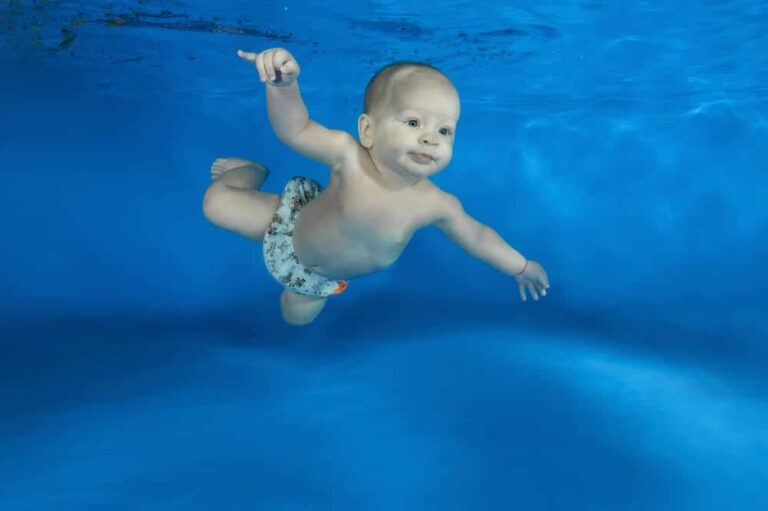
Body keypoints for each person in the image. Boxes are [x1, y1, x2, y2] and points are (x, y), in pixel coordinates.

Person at [203, 47, 550, 326]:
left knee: (295, 318)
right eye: (414, 122)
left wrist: (520, 266)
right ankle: (249, 171)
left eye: (445, 130)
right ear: (368, 131)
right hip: (288, 225)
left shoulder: (436, 203)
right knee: (215, 204)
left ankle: (298, 296)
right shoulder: (348, 156)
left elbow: (478, 237)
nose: (430, 138)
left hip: (313, 281)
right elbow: (295, 129)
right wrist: (283, 86)